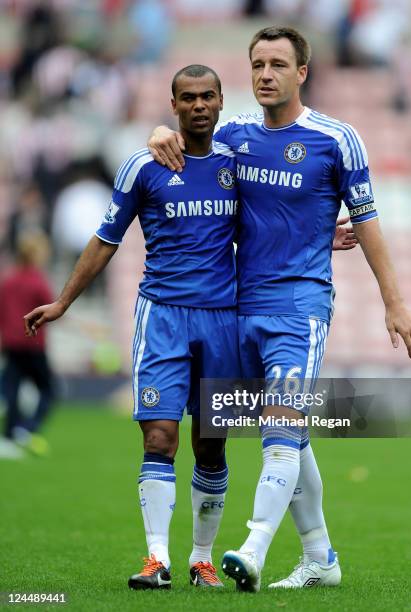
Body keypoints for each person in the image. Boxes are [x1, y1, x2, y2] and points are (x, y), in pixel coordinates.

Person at [24, 62, 356, 591]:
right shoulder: (145, 165)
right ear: (173, 105)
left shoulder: (238, 163)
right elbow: (106, 237)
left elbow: (279, 214)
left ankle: (203, 558)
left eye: (207, 97)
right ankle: (157, 558)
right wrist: (64, 300)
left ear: (221, 102)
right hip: (162, 317)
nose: (198, 105)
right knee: (159, 436)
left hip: (224, 320)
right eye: (187, 98)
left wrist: (318, 237)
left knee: (211, 446)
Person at [148, 26, 411, 592]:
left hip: (299, 307)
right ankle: (320, 557)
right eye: (257, 64)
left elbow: (367, 221)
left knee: (281, 424)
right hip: (237, 307)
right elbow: (188, 142)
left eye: (277, 64)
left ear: (302, 72)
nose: (265, 74)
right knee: (292, 437)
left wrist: (394, 302)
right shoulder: (235, 136)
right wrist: (158, 132)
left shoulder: (336, 138)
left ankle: (252, 548)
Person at [0, 232, 55, 457]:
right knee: (48, 390)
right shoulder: (37, 282)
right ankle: (26, 428)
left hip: (11, 344)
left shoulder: (8, 281)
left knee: (12, 389)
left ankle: (9, 436)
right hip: (32, 344)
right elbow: (51, 310)